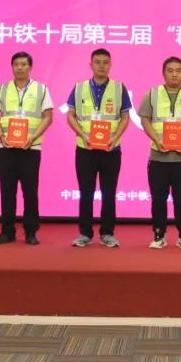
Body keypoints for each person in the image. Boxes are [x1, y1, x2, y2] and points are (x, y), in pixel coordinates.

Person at [66, 48, 132, 248]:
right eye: (97, 62)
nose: (101, 66)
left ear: (110, 65)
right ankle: (85, 233)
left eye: (105, 62)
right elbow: (70, 115)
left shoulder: (119, 88)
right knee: (85, 192)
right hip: (85, 149)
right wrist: (83, 134)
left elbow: (125, 117)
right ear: (91, 65)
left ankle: (107, 233)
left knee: (109, 192)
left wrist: (115, 137)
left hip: (111, 150)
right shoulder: (79, 88)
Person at [138, 57, 181, 250]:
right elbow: (145, 119)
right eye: (170, 70)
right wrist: (157, 140)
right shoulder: (152, 94)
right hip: (158, 157)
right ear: (163, 73)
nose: (174, 74)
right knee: (158, 198)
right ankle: (159, 235)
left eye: (178, 70)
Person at [0, 51, 53, 246]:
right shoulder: (2, 89)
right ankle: (7, 231)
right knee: (7, 192)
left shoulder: (41, 89)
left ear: (30, 67)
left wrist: (33, 137)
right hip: (6, 148)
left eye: (24, 64)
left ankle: (31, 231)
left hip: (30, 149)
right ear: (12, 67)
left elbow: (48, 117)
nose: (20, 67)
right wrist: (1, 135)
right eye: (16, 64)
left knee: (30, 192)